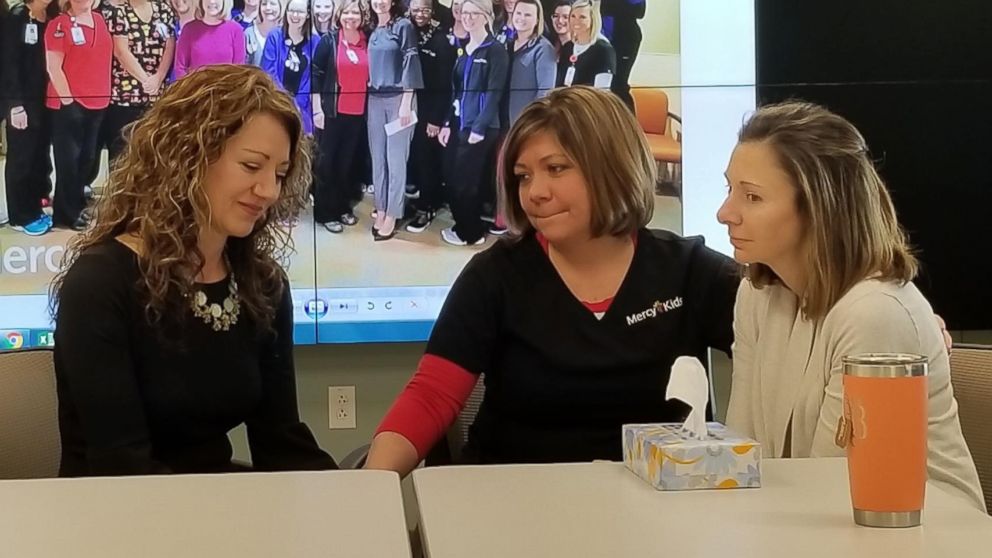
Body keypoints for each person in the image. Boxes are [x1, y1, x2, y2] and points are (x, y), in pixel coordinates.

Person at [364, 86, 738, 474]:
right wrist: (372, 487)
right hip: (516, 507)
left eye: (556, 169)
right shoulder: (495, 276)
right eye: (523, 176)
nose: (535, 193)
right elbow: (432, 395)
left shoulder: (689, 271)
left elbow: (782, 351)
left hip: (659, 510)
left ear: (611, 165)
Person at [50, 64, 338, 477]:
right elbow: (122, 464)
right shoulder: (99, 284)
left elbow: (281, 439)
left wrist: (352, 503)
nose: (269, 191)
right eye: (251, 167)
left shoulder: (263, 285)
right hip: (115, 516)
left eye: (278, 174)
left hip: (211, 502)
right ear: (187, 157)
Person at [720, 102, 986, 511]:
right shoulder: (756, 294)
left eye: (752, 196)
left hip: (922, 536)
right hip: (805, 524)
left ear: (819, 207)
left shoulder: (874, 312)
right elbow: (742, 457)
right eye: (730, 189)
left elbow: (831, 491)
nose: (725, 213)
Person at [436, 0, 507, 246]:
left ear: (486, 16)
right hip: (458, 123)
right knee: (454, 178)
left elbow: (494, 93)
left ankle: (471, 233)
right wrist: (446, 123)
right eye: (465, 13)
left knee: (467, 182)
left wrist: (479, 127)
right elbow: (456, 92)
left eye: (474, 14)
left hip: (480, 128)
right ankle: (464, 224)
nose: (468, 18)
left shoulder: (495, 51)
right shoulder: (464, 48)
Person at [45, 0, 114, 231]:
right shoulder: (59, 24)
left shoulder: (101, 20)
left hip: (98, 102)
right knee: (69, 162)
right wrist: (68, 102)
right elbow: (54, 67)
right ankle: (66, 215)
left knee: (87, 159)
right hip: (69, 105)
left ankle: (75, 204)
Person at [311, 0, 370, 232]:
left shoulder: (367, 40)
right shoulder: (329, 41)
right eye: (346, 11)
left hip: (357, 114)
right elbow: (316, 75)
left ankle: (342, 207)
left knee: (347, 165)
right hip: (332, 112)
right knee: (327, 165)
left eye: (355, 12)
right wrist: (317, 109)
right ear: (339, 15)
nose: (351, 16)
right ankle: (325, 213)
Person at [366, 0, 422, 240]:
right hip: (375, 100)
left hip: (400, 99)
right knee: (377, 158)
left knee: (395, 160)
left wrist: (406, 103)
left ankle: (393, 213)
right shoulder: (371, 29)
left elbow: (411, 63)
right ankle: (380, 207)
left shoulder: (403, 27)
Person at [1, 0, 58, 236]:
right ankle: (20, 214)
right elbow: (8, 64)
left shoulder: (53, 15)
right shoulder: (17, 18)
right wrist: (14, 106)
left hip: (46, 100)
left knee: (40, 154)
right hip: (22, 101)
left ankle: (37, 201)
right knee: (22, 157)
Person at [403, 0, 455, 234]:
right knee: (414, 158)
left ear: (432, 11)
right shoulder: (407, 31)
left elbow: (445, 85)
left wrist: (436, 119)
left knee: (428, 163)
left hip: (429, 111)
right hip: (409, 107)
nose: (420, 14)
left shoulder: (441, 41)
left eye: (424, 9)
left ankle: (428, 207)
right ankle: (418, 201)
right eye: (415, 9)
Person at [105, 0, 177, 163]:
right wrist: (146, 81)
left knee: (152, 152)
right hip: (125, 97)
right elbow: (121, 51)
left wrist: (158, 77)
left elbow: (169, 45)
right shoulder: (119, 13)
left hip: (156, 97)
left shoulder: (164, 10)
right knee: (121, 154)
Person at [261, 0, 319, 133]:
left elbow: (313, 78)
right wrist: (285, 102)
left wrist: (298, 104)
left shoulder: (315, 42)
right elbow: (269, 72)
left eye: (300, 11)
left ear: (308, 15)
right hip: (275, 105)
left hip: (303, 109)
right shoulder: (275, 36)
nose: (295, 15)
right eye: (291, 10)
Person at [504, 0, 553, 126]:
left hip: (525, 122)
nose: (521, 18)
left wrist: (531, 120)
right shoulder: (507, 44)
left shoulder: (543, 48)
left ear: (537, 20)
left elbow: (545, 92)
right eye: (518, 13)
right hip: (502, 121)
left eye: (528, 15)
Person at [174, 0, 246, 78]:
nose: (211, 1)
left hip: (227, 88)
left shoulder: (236, 30)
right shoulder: (189, 29)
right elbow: (180, 68)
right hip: (196, 88)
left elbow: (239, 72)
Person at [555, 0, 613, 88]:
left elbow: (602, 90)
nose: (576, 21)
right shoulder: (568, 47)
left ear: (592, 19)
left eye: (582, 17)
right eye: (573, 16)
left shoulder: (603, 50)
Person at [599, 0, 641, 111]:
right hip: (602, 39)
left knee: (618, 86)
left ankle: (629, 126)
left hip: (624, 40)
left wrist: (606, 5)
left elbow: (640, 11)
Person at [244, 0, 280, 66]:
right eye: (264, 4)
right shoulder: (249, 33)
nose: (268, 7)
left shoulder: (286, 33)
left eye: (273, 4)